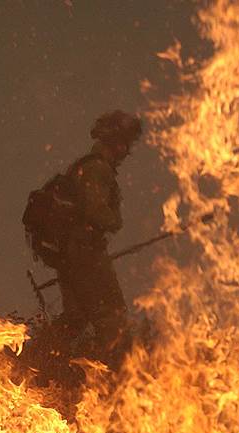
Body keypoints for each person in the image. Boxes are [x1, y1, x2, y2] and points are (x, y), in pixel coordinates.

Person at [25, 110, 142, 370]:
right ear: (118, 143)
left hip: (71, 256)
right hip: (85, 255)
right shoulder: (96, 170)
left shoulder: (83, 167)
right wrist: (115, 220)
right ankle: (122, 376)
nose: (127, 152)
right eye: (125, 145)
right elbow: (96, 212)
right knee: (112, 317)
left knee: (75, 317)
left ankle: (38, 362)